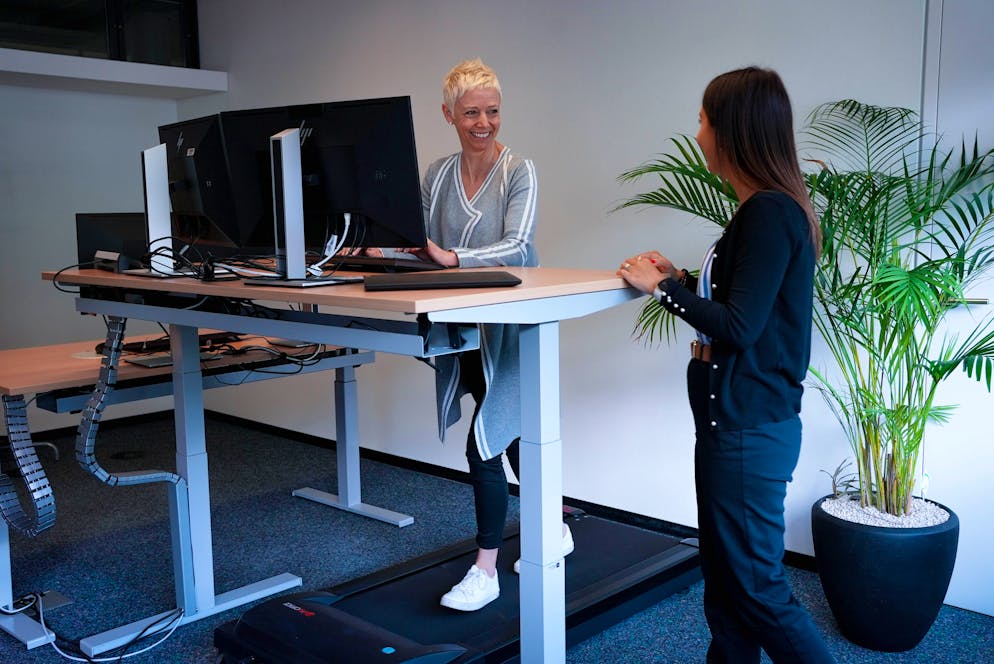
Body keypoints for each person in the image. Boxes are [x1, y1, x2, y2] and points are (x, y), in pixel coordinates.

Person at [617, 67, 835, 663]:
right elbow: (744, 300)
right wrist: (680, 278)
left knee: (758, 589)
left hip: (748, 429)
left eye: (703, 119)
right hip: (732, 425)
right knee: (726, 580)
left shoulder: (768, 212)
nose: (698, 132)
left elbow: (739, 328)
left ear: (731, 129)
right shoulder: (765, 212)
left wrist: (662, 291)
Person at [401, 58, 572, 612]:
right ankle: (556, 523)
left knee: (486, 440)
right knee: (512, 430)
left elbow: (518, 245)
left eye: (493, 111)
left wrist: (452, 257)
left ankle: (485, 571)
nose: (484, 122)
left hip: (512, 325)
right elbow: (419, 239)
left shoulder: (519, 170)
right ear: (449, 114)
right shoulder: (437, 174)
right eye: (472, 112)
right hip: (463, 329)